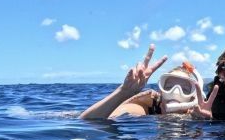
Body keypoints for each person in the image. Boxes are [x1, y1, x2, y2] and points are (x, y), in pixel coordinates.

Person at [79, 44, 217, 120]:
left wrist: (202, 125)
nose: (175, 92)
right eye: (168, 86)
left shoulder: (196, 115)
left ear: (193, 97)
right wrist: (123, 92)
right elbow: (88, 121)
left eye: (186, 89)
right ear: (160, 91)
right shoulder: (147, 109)